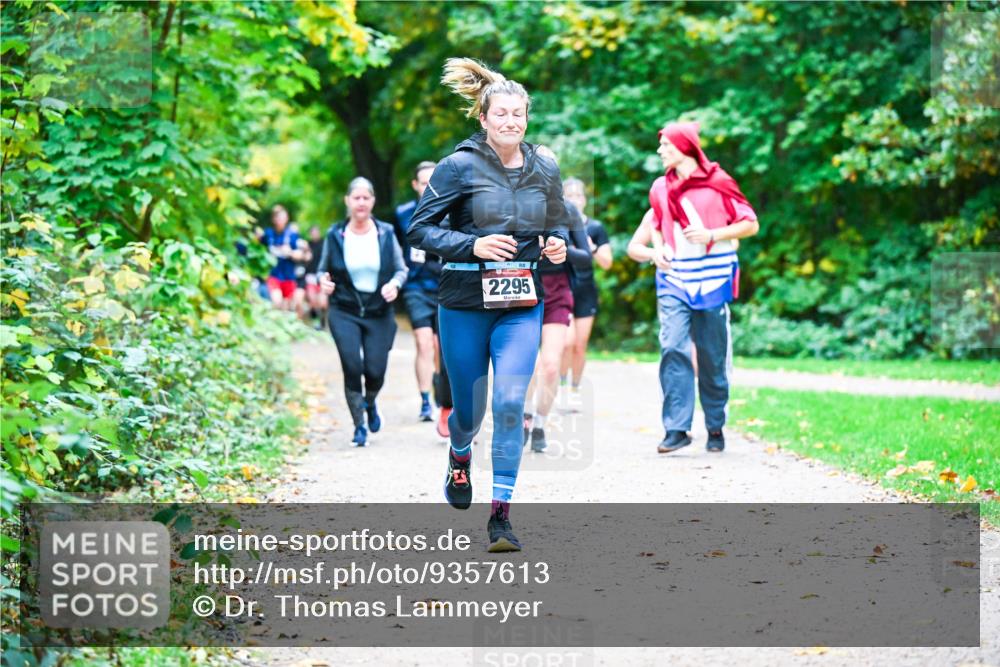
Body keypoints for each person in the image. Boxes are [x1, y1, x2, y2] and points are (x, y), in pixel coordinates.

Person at [407, 58, 571, 552]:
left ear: (527, 117)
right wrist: (471, 246)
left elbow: (558, 222)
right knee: (471, 411)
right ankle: (460, 454)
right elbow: (419, 230)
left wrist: (556, 244)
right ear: (483, 118)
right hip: (462, 302)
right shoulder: (458, 166)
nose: (510, 122)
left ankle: (501, 516)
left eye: (518, 114)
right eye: (501, 114)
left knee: (507, 403)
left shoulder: (545, 164)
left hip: (521, 302)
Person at [635, 120, 760, 454]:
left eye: (666, 145)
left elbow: (751, 224)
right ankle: (676, 429)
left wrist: (712, 236)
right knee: (672, 347)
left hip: (714, 278)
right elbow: (659, 225)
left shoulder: (719, 183)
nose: (660, 150)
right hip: (674, 278)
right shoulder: (660, 187)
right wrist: (658, 248)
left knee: (712, 355)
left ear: (684, 147)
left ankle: (715, 424)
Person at [318, 177, 408, 447]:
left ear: (372, 201)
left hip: (378, 309)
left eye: (365, 198)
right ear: (348, 201)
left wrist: (394, 284)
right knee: (352, 365)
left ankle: (369, 403)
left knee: (376, 370)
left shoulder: (385, 232)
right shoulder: (335, 233)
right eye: (355, 198)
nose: (360, 202)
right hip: (344, 309)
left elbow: (401, 269)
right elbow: (322, 269)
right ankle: (359, 425)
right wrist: (323, 281)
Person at [522, 150, 594, 454]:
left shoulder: (568, 210)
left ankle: (539, 422)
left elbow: (586, 259)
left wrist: (561, 250)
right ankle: (521, 415)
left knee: (551, 366)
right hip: (521, 290)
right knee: (526, 364)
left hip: (557, 292)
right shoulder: (516, 206)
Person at [395, 161, 448, 423]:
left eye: (433, 181)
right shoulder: (402, 214)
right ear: (415, 185)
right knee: (423, 342)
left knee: (441, 346)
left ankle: (441, 388)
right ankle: (425, 401)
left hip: (444, 286)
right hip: (415, 286)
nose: (429, 187)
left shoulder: (450, 210)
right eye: (424, 182)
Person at [560, 177, 613, 394]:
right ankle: (560, 386)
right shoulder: (558, 225)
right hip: (563, 287)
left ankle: (574, 389)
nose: (574, 200)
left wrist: (591, 249)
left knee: (580, 346)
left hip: (586, 289)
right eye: (569, 195)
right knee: (566, 343)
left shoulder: (595, 227)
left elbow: (607, 263)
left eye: (578, 195)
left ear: (584, 199)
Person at [259, 205, 307, 310]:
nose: (280, 220)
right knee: (277, 301)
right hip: (274, 274)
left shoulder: (292, 235)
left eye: (282, 217)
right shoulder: (268, 234)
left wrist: (289, 252)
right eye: (278, 217)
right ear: (273, 219)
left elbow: (302, 255)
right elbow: (258, 248)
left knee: (286, 308)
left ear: (286, 219)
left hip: (289, 276)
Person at [303, 225, 327, 328]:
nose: (314, 234)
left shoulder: (325, 244)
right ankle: (315, 320)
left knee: (323, 302)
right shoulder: (307, 245)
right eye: (312, 232)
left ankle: (322, 322)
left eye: (316, 231)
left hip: (322, 276)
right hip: (310, 277)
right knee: (312, 300)